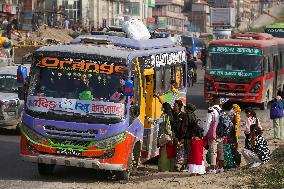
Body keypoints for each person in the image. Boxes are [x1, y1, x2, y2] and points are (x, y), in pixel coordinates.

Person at [146, 103, 176, 172]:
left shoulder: (164, 116)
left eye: (162, 107)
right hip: (171, 137)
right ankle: (171, 168)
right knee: (170, 154)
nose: (161, 108)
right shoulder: (171, 115)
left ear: (164, 108)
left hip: (165, 137)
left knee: (164, 154)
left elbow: (155, 122)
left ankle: (164, 168)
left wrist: (147, 118)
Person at [203, 97, 225, 174]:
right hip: (221, 133)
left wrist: (204, 134)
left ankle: (213, 168)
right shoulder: (222, 110)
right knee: (220, 151)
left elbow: (208, 123)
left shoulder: (211, 110)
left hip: (213, 133)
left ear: (212, 101)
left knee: (213, 151)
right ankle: (221, 168)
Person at [182, 103, 198, 171]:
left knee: (186, 151)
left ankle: (187, 166)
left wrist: (182, 137)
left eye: (185, 107)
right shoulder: (194, 115)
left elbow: (185, 127)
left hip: (187, 136)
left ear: (187, 109)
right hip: (192, 136)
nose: (184, 108)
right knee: (190, 151)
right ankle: (189, 166)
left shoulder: (186, 115)